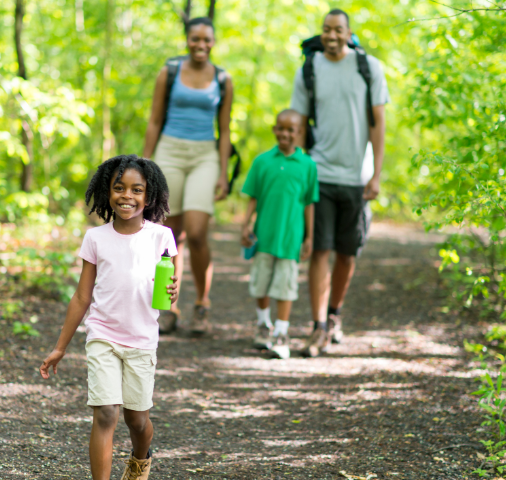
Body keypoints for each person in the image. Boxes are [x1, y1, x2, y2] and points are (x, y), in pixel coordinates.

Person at [39, 155, 178, 480]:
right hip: (102, 335)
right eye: (119, 188)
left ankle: (141, 458)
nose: (126, 196)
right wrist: (61, 346)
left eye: (136, 189)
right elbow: (81, 297)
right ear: (107, 191)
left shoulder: (161, 237)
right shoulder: (96, 238)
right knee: (105, 414)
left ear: (149, 195)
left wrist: (173, 292)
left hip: (142, 340)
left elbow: (171, 283)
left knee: (137, 421)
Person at [290, 9, 389, 357]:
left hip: (357, 178)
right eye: (326, 30)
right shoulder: (309, 68)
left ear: (349, 33)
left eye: (338, 30)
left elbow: (378, 122)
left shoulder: (369, 67)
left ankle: (333, 315)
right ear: (322, 33)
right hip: (319, 174)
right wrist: (298, 169)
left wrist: (377, 173)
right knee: (319, 248)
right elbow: (298, 122)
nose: (332, 36)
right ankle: (317, 325)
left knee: (347, 253)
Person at [143, 16, 233, 335]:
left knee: (196, 232)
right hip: (169, 150)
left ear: (213, 42)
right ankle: (168, 306)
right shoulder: (168, 73)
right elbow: (154, 121)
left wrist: (223, 173)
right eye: (195, 38)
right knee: (169, 233)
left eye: (206, 39)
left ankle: (202, 305)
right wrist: (145, 165)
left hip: (204, 155)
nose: (200, 45)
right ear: (187, 39)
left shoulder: (223, 79)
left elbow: (224, 130)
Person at [241, 110, 319, 359]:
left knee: (285, 286)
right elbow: (253, 197)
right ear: (275, 129)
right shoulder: (262, 161)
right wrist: (246, 225)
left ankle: (281, 333)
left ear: (299, 133)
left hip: (290, 239)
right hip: (264, 237)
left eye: (291, 130)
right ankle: (264, 325)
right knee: (261, 284)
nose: (285, 134)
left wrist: (309, 237)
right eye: (281, 129)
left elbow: (309, 203)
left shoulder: (308, 165)